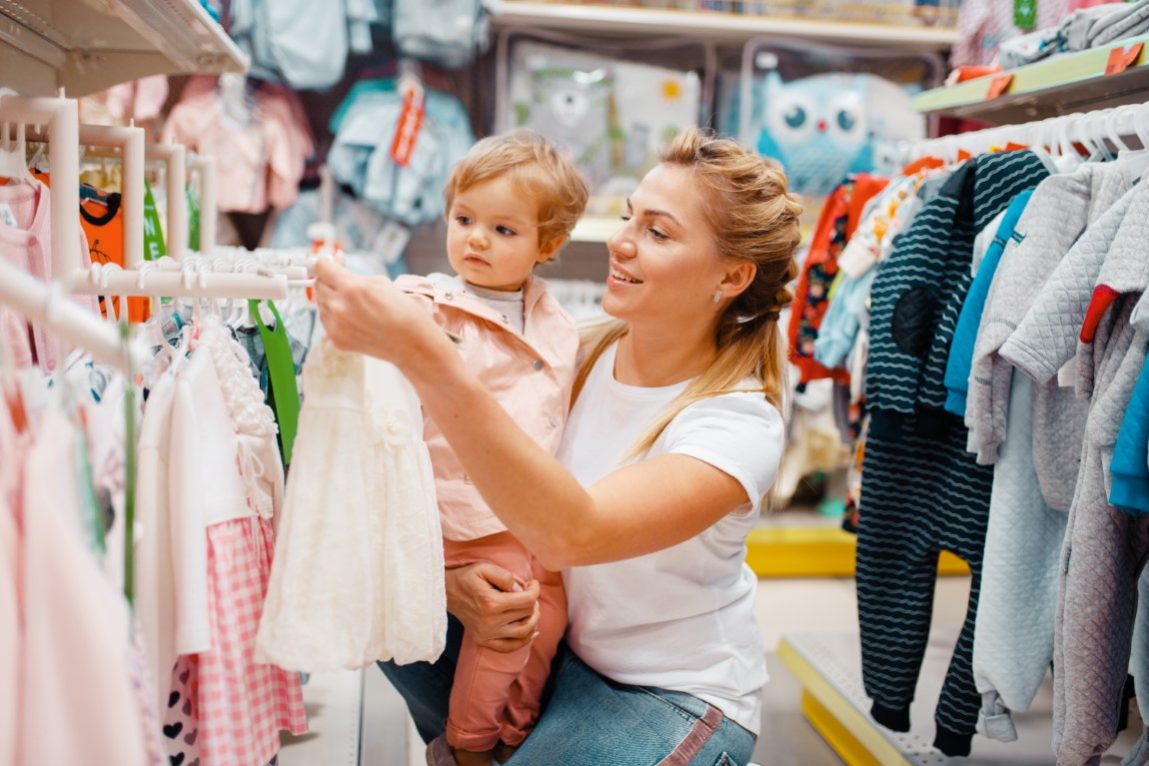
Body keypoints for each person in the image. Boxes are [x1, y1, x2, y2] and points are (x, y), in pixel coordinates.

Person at [314, 127, 800, 765]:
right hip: (555, 648)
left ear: (732, 275)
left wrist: (428, 355)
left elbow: (573, 533)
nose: (620, 242)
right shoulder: (574, 347)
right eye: (629, 217)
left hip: (665, 693)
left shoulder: (736, 423)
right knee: (384, 608)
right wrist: (453, 581)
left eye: (657, 232)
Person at [391, 129, 590, 766]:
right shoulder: (427, 308)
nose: (475, 238)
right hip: (464, 513)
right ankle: (468, 745)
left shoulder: (557, 325)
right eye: (465, 218)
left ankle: (517, 731)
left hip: (534, 517)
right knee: (507, 627)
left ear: (547, 245)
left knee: (548, 626)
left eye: (504, 230)